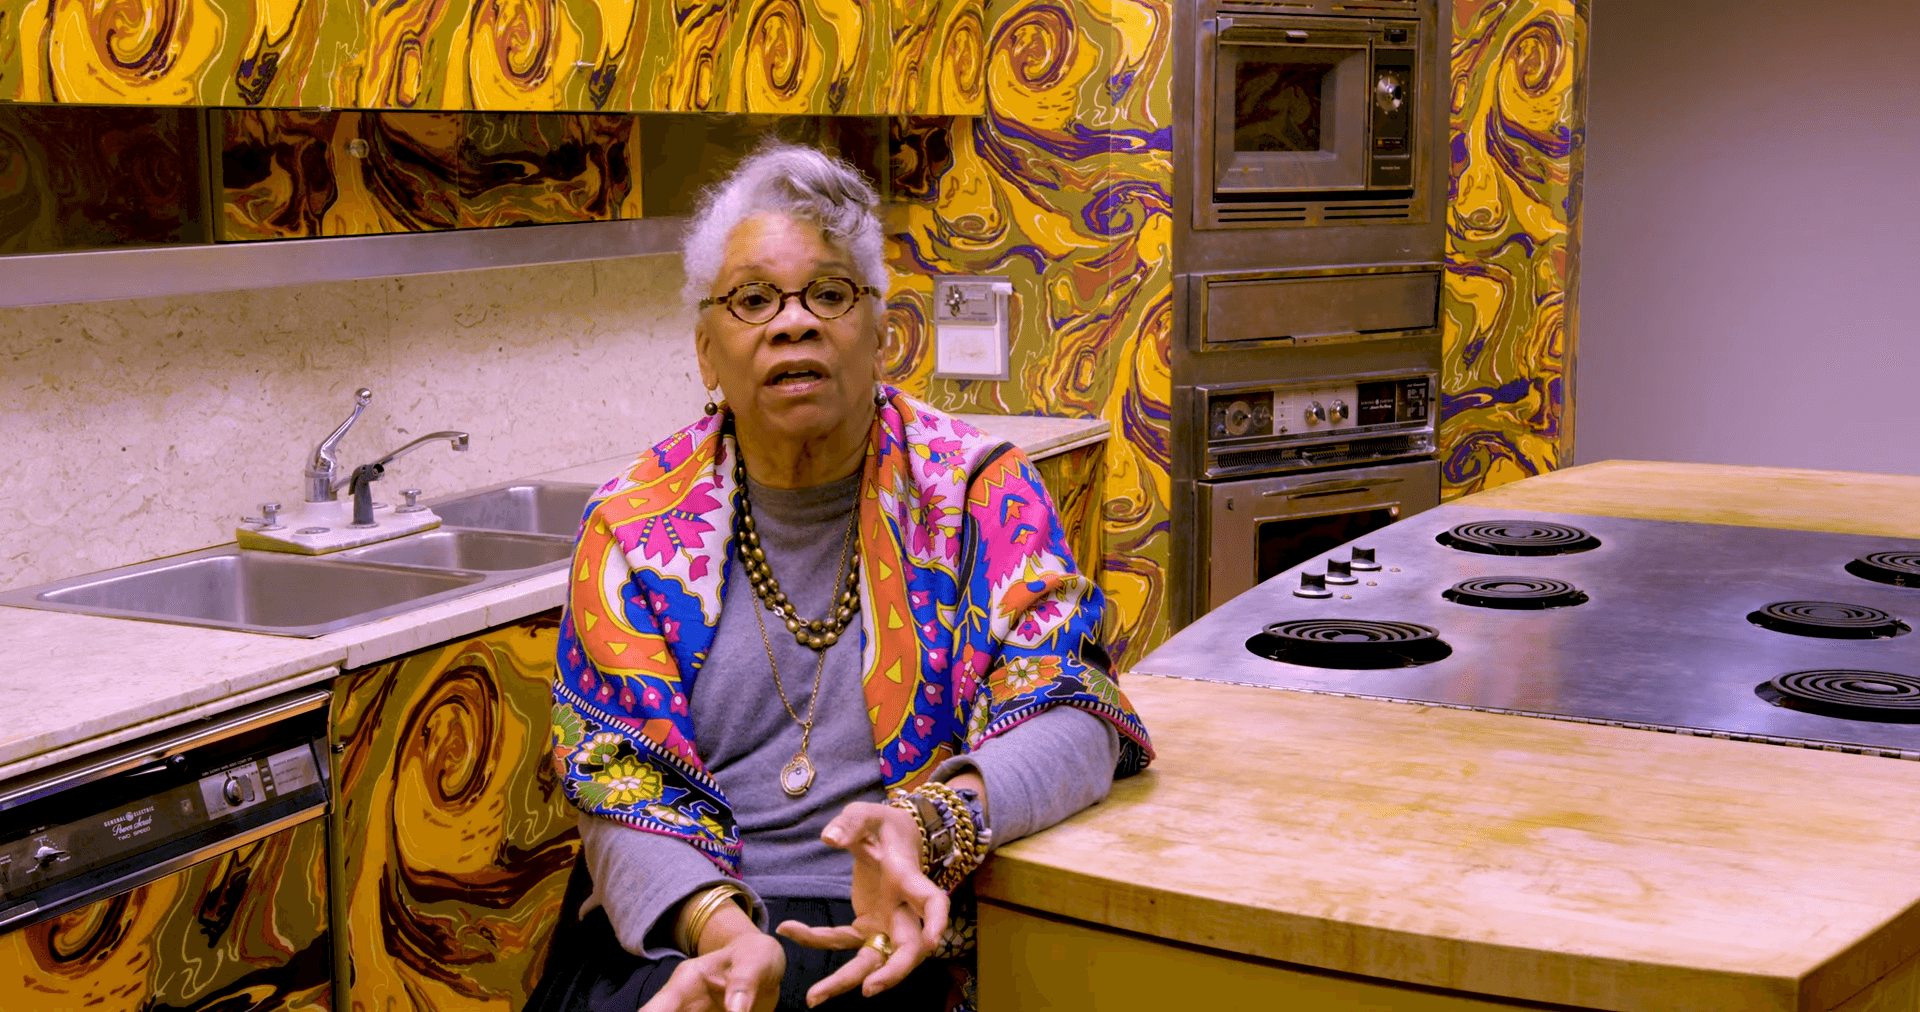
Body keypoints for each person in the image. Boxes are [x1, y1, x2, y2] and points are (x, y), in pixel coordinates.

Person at [529, 143, 1152, 1012]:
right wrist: (721, 929)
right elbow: (613, 779)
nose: (794, 323)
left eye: (829, 293)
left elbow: (1073, 712)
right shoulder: (631, 525)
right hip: (694, 922)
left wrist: (931, 825)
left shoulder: (976, 492)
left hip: (905, 920)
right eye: (754, 299)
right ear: (708, 353)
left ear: (883, 335)